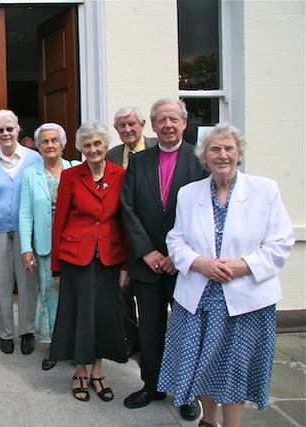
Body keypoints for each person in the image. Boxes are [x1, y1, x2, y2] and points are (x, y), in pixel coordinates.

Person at [158, 123, 294, 427]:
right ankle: (209, 420)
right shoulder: (188, 193)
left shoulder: (264, 190)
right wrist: (199, 262)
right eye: (214, 149)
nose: (222, 155)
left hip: (246, 299)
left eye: (229, 148)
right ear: (204, 156)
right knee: (201, 363)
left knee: (235, 367)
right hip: (199, 296)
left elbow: (281, 241)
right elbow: (175, 240)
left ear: (240, 153)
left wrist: (242, 266)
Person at [120, 99, 207, 420]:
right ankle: (152, 385)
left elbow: (204, 214)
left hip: (186, 266)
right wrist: (148, 251)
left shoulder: (200, 160)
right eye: (161, 120)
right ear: (152, 126)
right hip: (147, 263)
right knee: (151, 329)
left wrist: (175, 255)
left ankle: (187, 392)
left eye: (174, 119)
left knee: (188, 330)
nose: (167, 125)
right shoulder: (140, 161)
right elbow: (127, 209)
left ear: (184, 123)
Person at [50, 121, 129, 403]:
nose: (93, 149)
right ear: (80, 148)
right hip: (76, 257)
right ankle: (79, 371)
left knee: (104, 316)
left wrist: (125, 265)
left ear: (105, 146)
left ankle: (97, 371)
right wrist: (56, 265)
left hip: (110, 255)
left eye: (97, 144)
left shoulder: (121, 175)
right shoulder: (71, 177)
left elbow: (125, 221)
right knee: (79, 314)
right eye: (87, 145)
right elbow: (59, 221)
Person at [0, 109, 43, 355]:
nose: (5, 133)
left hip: (27, 230)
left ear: (18, 130)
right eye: (0, 130)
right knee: (2, 282)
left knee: (27, 281)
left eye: (9, 129)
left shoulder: (33, 159)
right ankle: (6, 333)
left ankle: (27, 331)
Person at [19, 122, 78, 371]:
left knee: (74, 293)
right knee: (50, 294)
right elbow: (25, 213)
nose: (50, 145)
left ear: (63, 145)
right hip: (45, 245)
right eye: (45, 141)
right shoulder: (30, 174)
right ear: (39, 147)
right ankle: (54, 344)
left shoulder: (75, 170)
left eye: (55, 140)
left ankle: (76, 343)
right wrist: (26, 248)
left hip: (75, 244)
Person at [108, 106, 158, 358]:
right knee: (121, 290)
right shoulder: (111, 155)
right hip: (120, 234)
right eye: (121, 126)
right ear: (116, 130)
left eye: (131, 124)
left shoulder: (158, 150)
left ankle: (156, 344)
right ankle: (131, 337)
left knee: (152, 296)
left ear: (143, 124)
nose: (127, 129)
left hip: (153, 236)